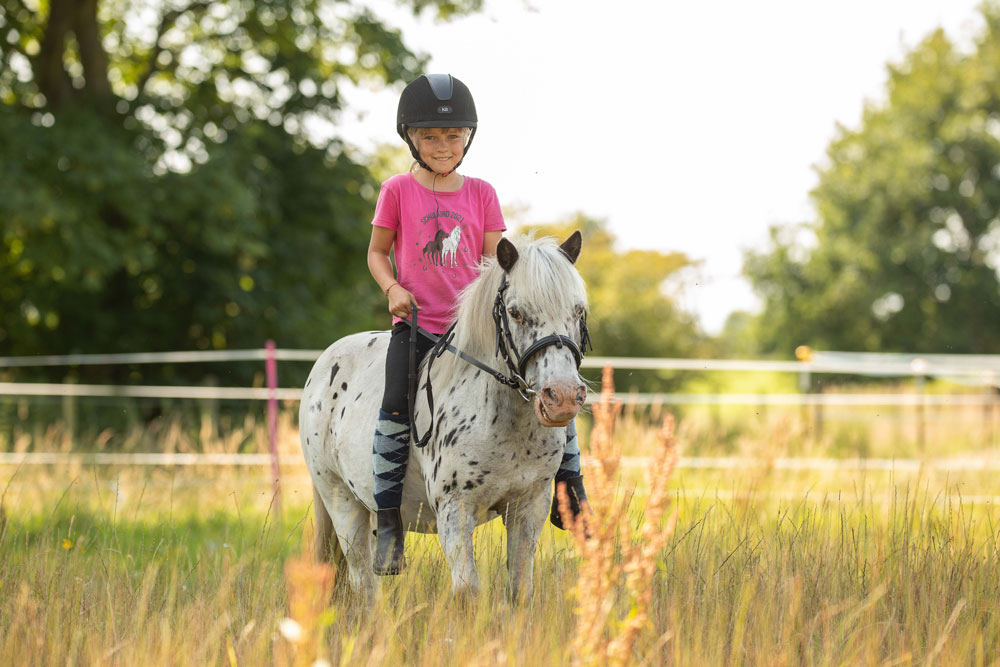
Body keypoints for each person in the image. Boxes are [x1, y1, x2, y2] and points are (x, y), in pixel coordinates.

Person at [366, 73, 589, 576]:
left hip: (476, 333)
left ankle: (569, 494)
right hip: (421, 325)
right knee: (393, 406)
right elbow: (377, 252)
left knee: (554, 390)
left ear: (468, 139)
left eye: (452, 136)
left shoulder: (483, 193)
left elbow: (499, 265)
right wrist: (392, 289)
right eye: (430, 137)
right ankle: (386, 522)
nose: (443, 146)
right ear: (411, 139)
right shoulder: (397, 190)